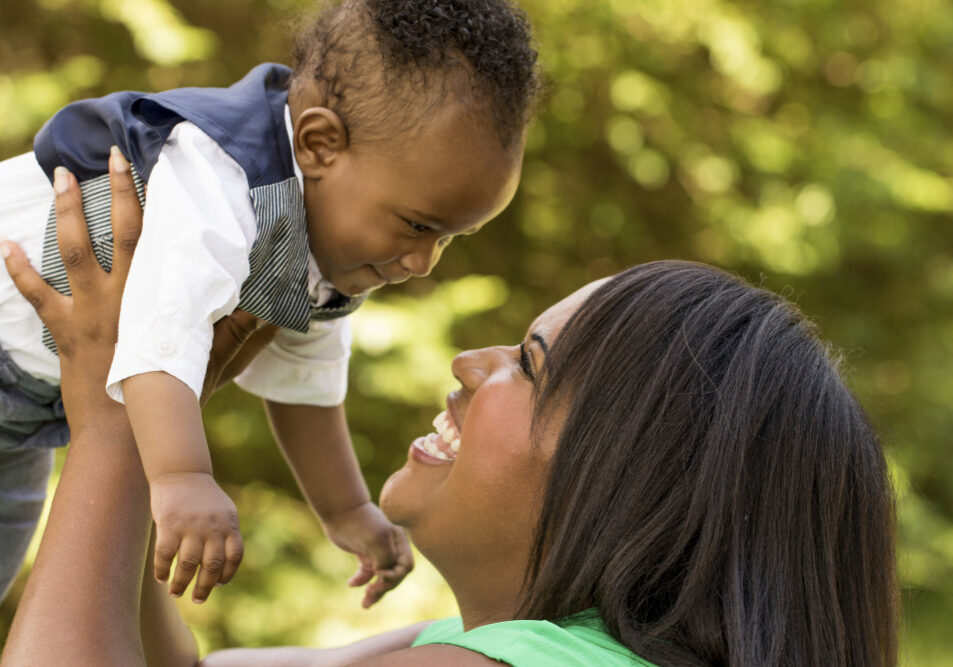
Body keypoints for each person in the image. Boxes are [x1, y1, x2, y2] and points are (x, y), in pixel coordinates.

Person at [1, 165, 898, 666]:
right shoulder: (467, 644)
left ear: (636, 469)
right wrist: (161, 420)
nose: (471, 364)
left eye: (530, 365)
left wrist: (113, 407)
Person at [0, 0, 541, 604]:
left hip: (28, 417)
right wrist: (184, 477)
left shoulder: (328, 251)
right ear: (318, 145)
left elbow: (307, 383)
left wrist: (345, 510)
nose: (423, 263)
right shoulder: (220, 176)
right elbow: (161, 333)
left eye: (450, 239)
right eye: (417, 225)